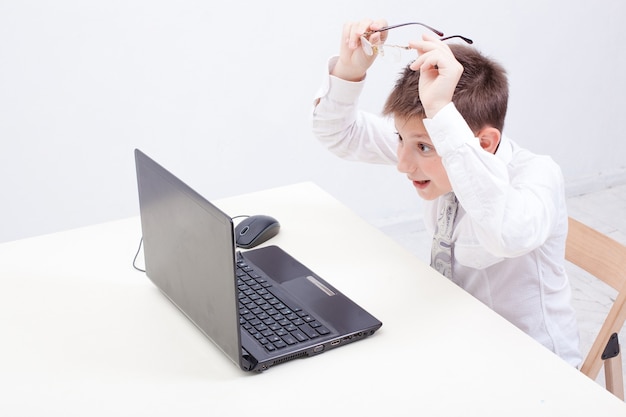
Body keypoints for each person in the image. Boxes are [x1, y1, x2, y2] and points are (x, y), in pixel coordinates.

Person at [311, 18, 582, 367]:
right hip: (460, 337)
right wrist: (349, 71)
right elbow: (339, 134)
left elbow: (505, 235)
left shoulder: (538, 176)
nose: (403, 164)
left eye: (423, 148)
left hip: (534, 367)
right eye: (399, 140)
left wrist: (442, 114)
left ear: (483, 144)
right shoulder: (427, 151)